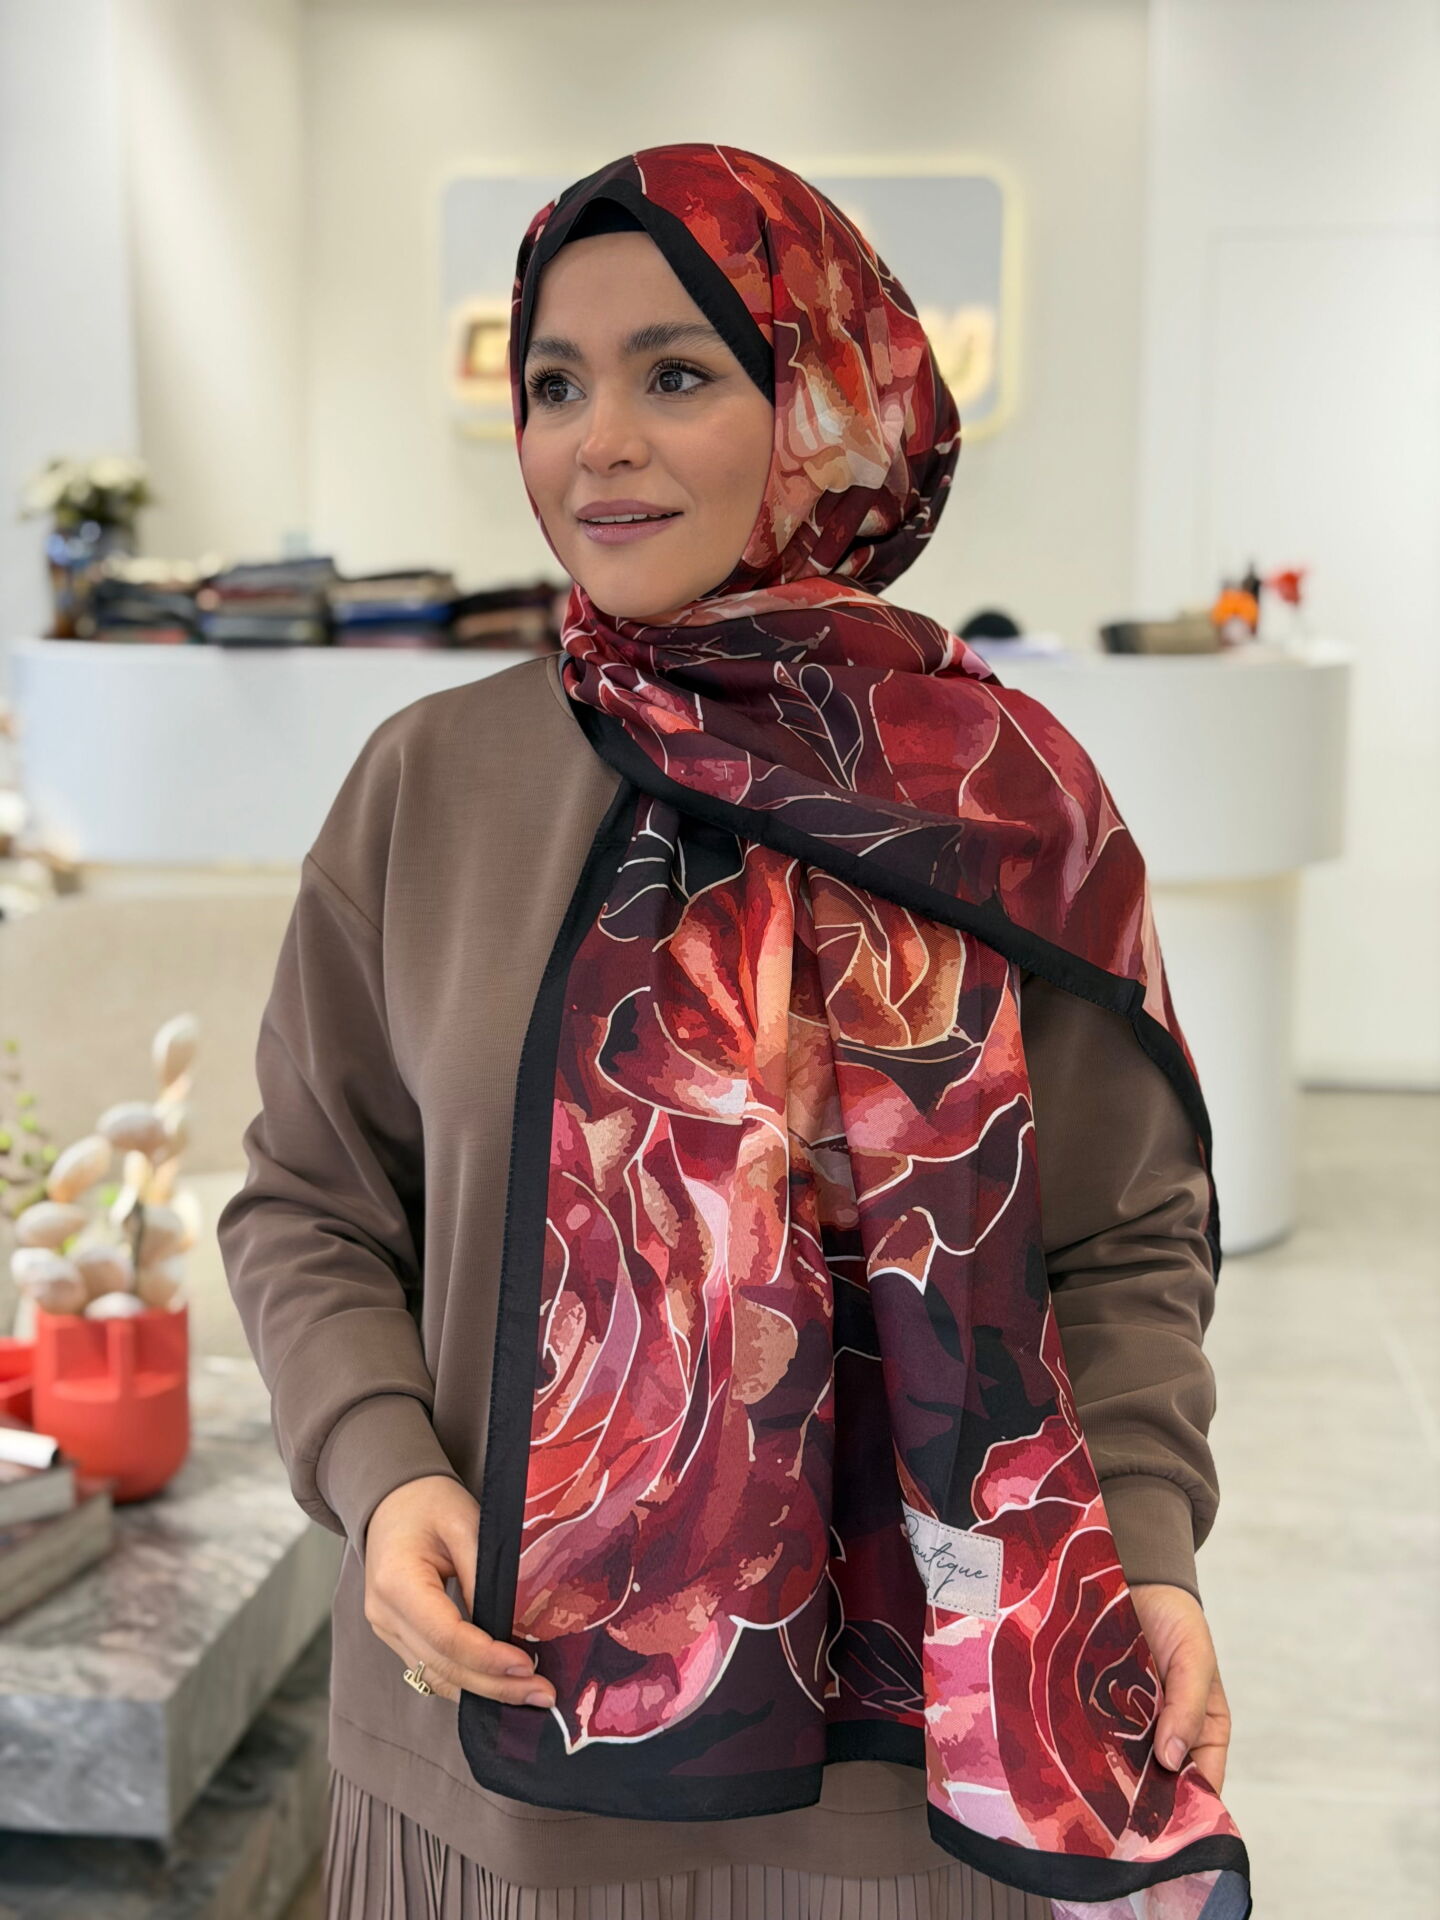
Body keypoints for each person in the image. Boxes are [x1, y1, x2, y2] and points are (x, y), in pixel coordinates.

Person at [219, 146, 1247, 1920]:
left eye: (677, 375)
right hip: (498, 1734)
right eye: (556, 384)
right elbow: (310, 1199)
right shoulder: (429, 784)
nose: (596, 443)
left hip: (915, 1773)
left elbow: (1125, 1239)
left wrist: (1146, 1540)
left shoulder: (1010, 808)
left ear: (825, 411)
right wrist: (378, 1474)